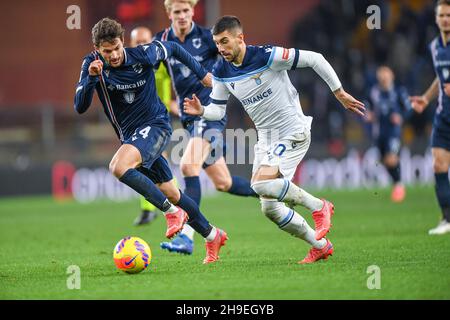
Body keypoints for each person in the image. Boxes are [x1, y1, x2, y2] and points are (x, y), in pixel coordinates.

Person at [184, 16, 365, 264]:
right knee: (269, 207)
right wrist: (202, 111)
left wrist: (339, 93)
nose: (221, 48)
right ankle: (320, 245)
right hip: (266, 140)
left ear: (240, 38)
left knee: (258, 184)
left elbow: (315, 59)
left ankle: (319, 206)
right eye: (217, 43)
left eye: (225, 41)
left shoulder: (267, 55)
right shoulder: (221, 71)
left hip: (293, 131)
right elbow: (218, 111)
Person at [74, 17, 227, 263]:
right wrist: (91, 78)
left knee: (118, 166)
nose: (113, 55)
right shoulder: (91, 64)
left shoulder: (145, 54)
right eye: (106, 51)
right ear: (97, 50)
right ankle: (212, 235)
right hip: (132, 136)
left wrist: (202, 75)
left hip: (156, 126)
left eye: (116, 48)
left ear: (123, 42)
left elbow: (175, 48)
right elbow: (79, 106)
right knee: (172, 192)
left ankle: (170, 213)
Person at [155, 0, 258, 255]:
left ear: (192, 11)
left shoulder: (208, 37)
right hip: (190, 117)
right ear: (169, 13)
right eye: (176, 11)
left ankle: (188, 236)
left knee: (189, 166)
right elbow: (155, 77)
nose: (182, 15)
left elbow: (233, 57)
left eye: (186, 10)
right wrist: (169, 103)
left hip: (210, 111)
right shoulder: (162, 41)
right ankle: (273, 190)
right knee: (223, 182)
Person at [129, 26, 179, 226]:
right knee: (144, 166)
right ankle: (166, 205)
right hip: (137, 122)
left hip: (158, 122)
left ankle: (167, 205)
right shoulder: (128, 67)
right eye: (137, 42)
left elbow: (179, 82)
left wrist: (178, 103)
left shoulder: (162, 63)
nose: (141, 45)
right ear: (130, 45)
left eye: (145, 41)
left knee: (150, 164)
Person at [409, 0, 450, 235]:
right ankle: (447, 219)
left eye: (449, 15)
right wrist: (426, 98)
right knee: (438, 164)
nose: (445, 19)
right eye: (442, 15)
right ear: (436, 18)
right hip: (444, 116)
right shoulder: (435, 46)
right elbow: (440, 78)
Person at [365, 66, 411, 202]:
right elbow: (366, 106)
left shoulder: (399, 92)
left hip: (393, 133)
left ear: (392, 77)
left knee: (391, 158)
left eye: (386, 76)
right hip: (379, 133)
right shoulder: (374, 92)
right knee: (385, 161)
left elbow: (408, 108)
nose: (384, 79)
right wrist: (367, 114)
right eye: (381, 76)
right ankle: (397, 184)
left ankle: (399, 185)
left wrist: (401, 116)